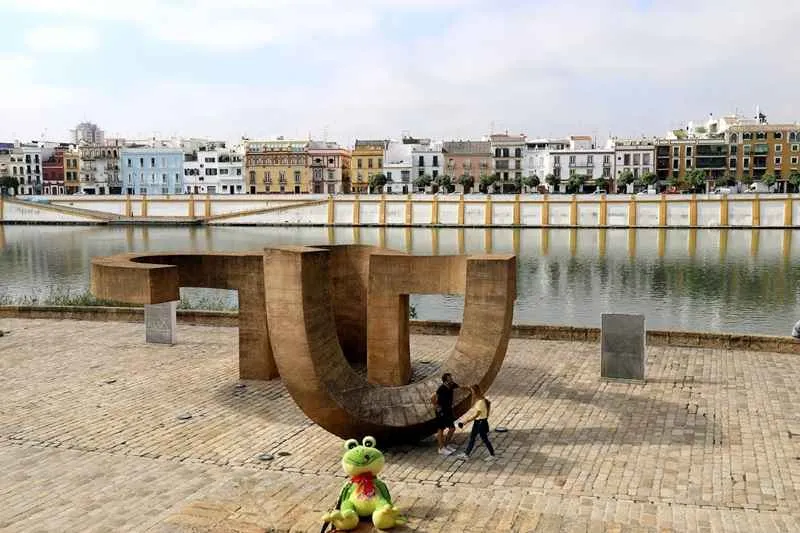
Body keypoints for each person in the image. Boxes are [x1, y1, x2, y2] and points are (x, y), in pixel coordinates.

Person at [454, 384, 496, 462]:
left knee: (484, 439)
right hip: (479, 422)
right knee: (472, 438)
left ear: (475, 392)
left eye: (472, 392)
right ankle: (466, 454)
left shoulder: (480, 402)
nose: (472, 393)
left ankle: (492, 455)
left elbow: (476, 415)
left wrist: (465, 422)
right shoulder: (482, 399)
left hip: (480, 423)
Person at [432, 373, 459, 456]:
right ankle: (441, 448)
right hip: (441, 411)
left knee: (452, 428)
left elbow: (461, 387)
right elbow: (433, 397)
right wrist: (436, 406)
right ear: (446, 381)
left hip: (448, 410)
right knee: (441, 429)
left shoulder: (452, 385)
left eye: (451, 377)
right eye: (449, 378)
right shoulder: (441, 388)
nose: (451, 379)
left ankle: (446, 445)